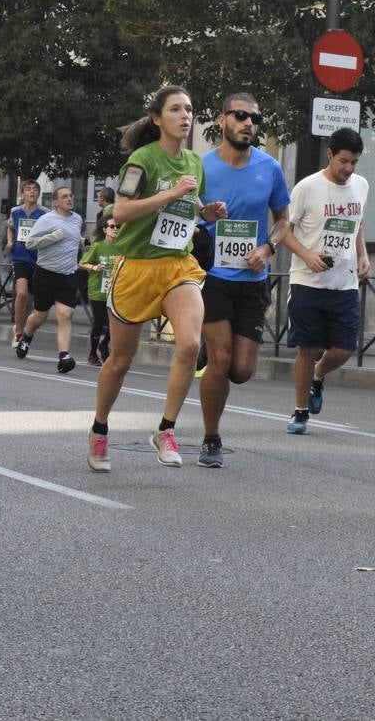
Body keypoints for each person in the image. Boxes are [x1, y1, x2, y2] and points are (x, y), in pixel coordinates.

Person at [87, 86, 226, 473]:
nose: (185, 116)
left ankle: (166, 429)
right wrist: (170, 195)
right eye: (176, 109)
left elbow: (191, 208)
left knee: (189, 343)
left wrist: (209, 212)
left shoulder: (195, 163)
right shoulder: (140, 161)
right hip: (136, 267)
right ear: (156, 118)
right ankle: (99, 429)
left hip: (177, 265)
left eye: (190, 110)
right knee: (120, 360)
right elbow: (122, 211)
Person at [196, 93, 291, 467]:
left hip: (253, 279)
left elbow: (284, 221)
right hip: (212, 276)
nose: (248, 123)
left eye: (254, 118)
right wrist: (206, 211)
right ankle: (211, 438)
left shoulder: (270, 168)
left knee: (242, 370)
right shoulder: (201, 165)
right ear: (222, 120)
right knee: (220, 359)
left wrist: (267, 248)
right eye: (240, 116)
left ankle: (212, 355)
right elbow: (186, 212)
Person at [283, 127, 370, 435]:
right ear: (330, 154)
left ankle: (318, 375)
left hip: (344, 282)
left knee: (344, 348)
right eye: (343, 161)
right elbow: (283, 230)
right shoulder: (307, 188)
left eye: (354, 163)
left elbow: (357, 223)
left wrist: (364, 255)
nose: (348, 169)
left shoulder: (361, 186)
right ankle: (300, 411)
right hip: (308, 282)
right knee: (306, 347)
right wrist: (306, 255)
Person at [17, 186, 85, 373]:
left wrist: (84, 245)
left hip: (68, 275)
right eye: (64, 196)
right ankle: (27, 335)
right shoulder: (46, 220)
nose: (69, 199)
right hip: (46, 274)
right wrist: (51, 238)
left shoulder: (77, 219)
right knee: (39, 316)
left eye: (71, 195)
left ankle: (64, 356)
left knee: (65, 314)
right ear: (55, 202)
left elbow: (75, 238)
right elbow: (30, 243)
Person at [6, 180, 46, 348]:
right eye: (28, 189)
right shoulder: (15, 211)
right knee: (21, 293)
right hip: (20, 257)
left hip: (38, 259)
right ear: (22, 193)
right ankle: (18, 331)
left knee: (30, 298)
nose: (32, 192)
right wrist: (10, 242)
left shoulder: (45, 213)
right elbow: (10, 227)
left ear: (38, 194)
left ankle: (22, 323)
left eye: (35, 189)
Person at [80, 215, 119, 366]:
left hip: (114, 291)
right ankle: (92, 354)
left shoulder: (121, 246)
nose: (116, 229)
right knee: (98, 323)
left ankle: (104, 345)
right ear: (105, 230)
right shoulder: (97, 246)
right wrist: (95, 267)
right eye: (112, 226)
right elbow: (82, 263)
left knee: (114, 322)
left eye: (118, 227)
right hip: (97, 290)